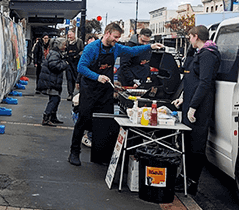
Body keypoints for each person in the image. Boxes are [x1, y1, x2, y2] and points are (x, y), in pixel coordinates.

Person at [68, 23, 164, 166]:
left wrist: (150, 47)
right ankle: (74, 152)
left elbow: (132, 51)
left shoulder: (116, 48)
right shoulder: (91, 48)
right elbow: (81, 67)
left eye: (118, 37)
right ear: (107, 33)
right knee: (83, 120)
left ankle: (101, 156)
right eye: (115, 37)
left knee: (104, 124)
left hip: (106, 91)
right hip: (90, 90)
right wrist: (97, 77)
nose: (117, 40)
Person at [171, 25, 220, 196]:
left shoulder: (208, 55)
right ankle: (183, 176)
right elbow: (193, 80)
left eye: (190, 37)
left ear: (196, 36)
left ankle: (192, 181)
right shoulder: (199, 54)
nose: (189, 40)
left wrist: (193, 107)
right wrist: (184, 98)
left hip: (199, 108)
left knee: (195, 145)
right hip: (191, 103)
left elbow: (204, 82)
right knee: (187, 142)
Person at [37, 37, 68, 126]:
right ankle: (46, 117)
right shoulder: (55, 53)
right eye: (64, 45)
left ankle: (52, 117)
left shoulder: (55, 53)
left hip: (51, 80)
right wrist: (65, 64)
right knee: (55, 99)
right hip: (51, 81)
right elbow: (54, 66)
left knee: (56, 99)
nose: (65, 47)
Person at [64, 29, 84, 101]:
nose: (69, 36)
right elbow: (63, 50)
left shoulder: (79, 42)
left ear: (74, 34)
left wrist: (78, 55)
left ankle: (80, 93)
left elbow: (83, 50)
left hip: (76, 63)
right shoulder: (66, 42)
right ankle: (70, 94)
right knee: (69, 79)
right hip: (69, 63)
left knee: (77, 79)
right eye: (68, 35)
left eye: (70, 35)